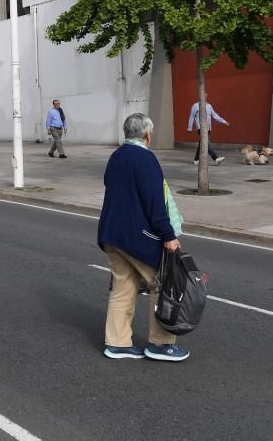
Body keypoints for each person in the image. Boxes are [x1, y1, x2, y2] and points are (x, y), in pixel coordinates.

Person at [98, 113, 189, 362]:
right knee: (161, 284)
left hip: (111, 233)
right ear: (147, 134)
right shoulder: (145, 158)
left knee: (123, 286)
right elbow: (155, 203)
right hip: (136, 235)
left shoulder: (116, 156)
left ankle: (117, 343)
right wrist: (168, 236)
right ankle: (160, 344)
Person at [187, 94, 229, 165]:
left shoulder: (209, 106)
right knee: (205, 144)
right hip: (201, 128)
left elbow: (214, 115)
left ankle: (196, 159)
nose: (205, 98)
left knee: (202, 143)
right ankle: (216, 158)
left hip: (208, 128)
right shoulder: (196, 106)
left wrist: (223, 121)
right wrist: (189, 128)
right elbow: (191, 117)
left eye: (206, 97)